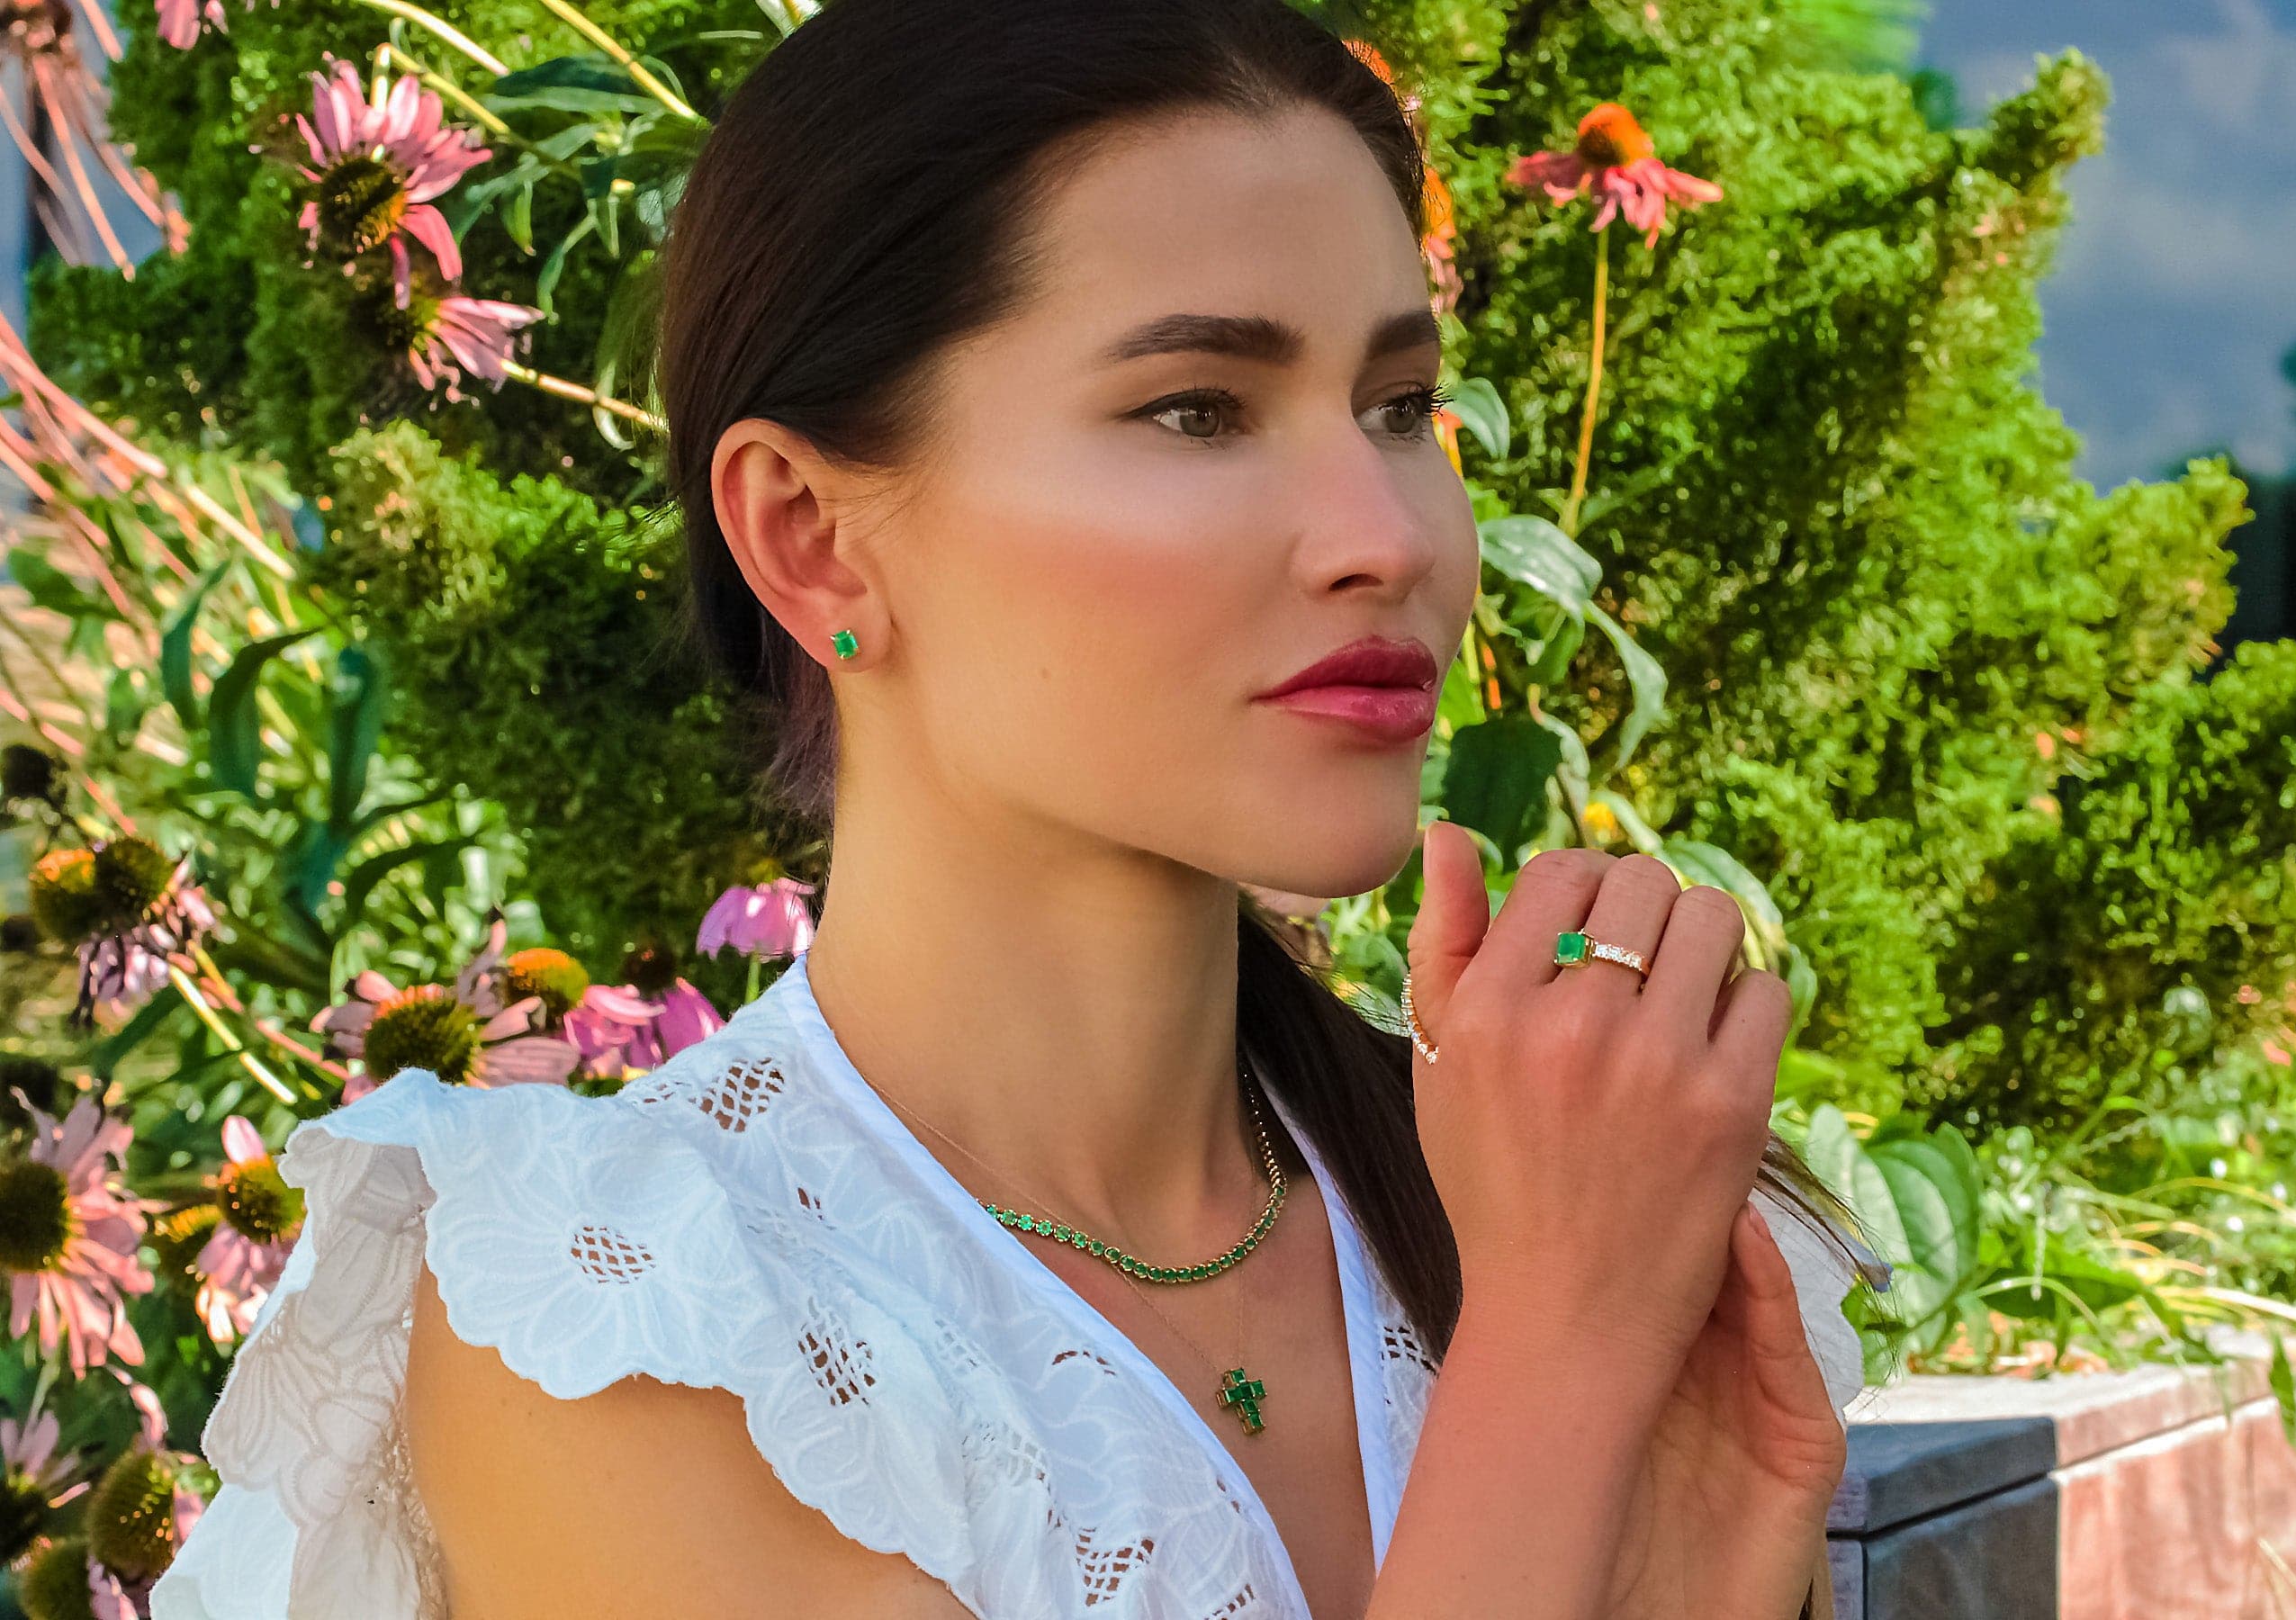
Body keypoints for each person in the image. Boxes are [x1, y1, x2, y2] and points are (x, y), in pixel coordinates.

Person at [152, 1, 1874, 1615]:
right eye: (1197, 409)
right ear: (811, 537)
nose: (1389, 536)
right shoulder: (624, 1310)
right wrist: (1560, 1362)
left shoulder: (1540, 1185)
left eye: (1398, 406)